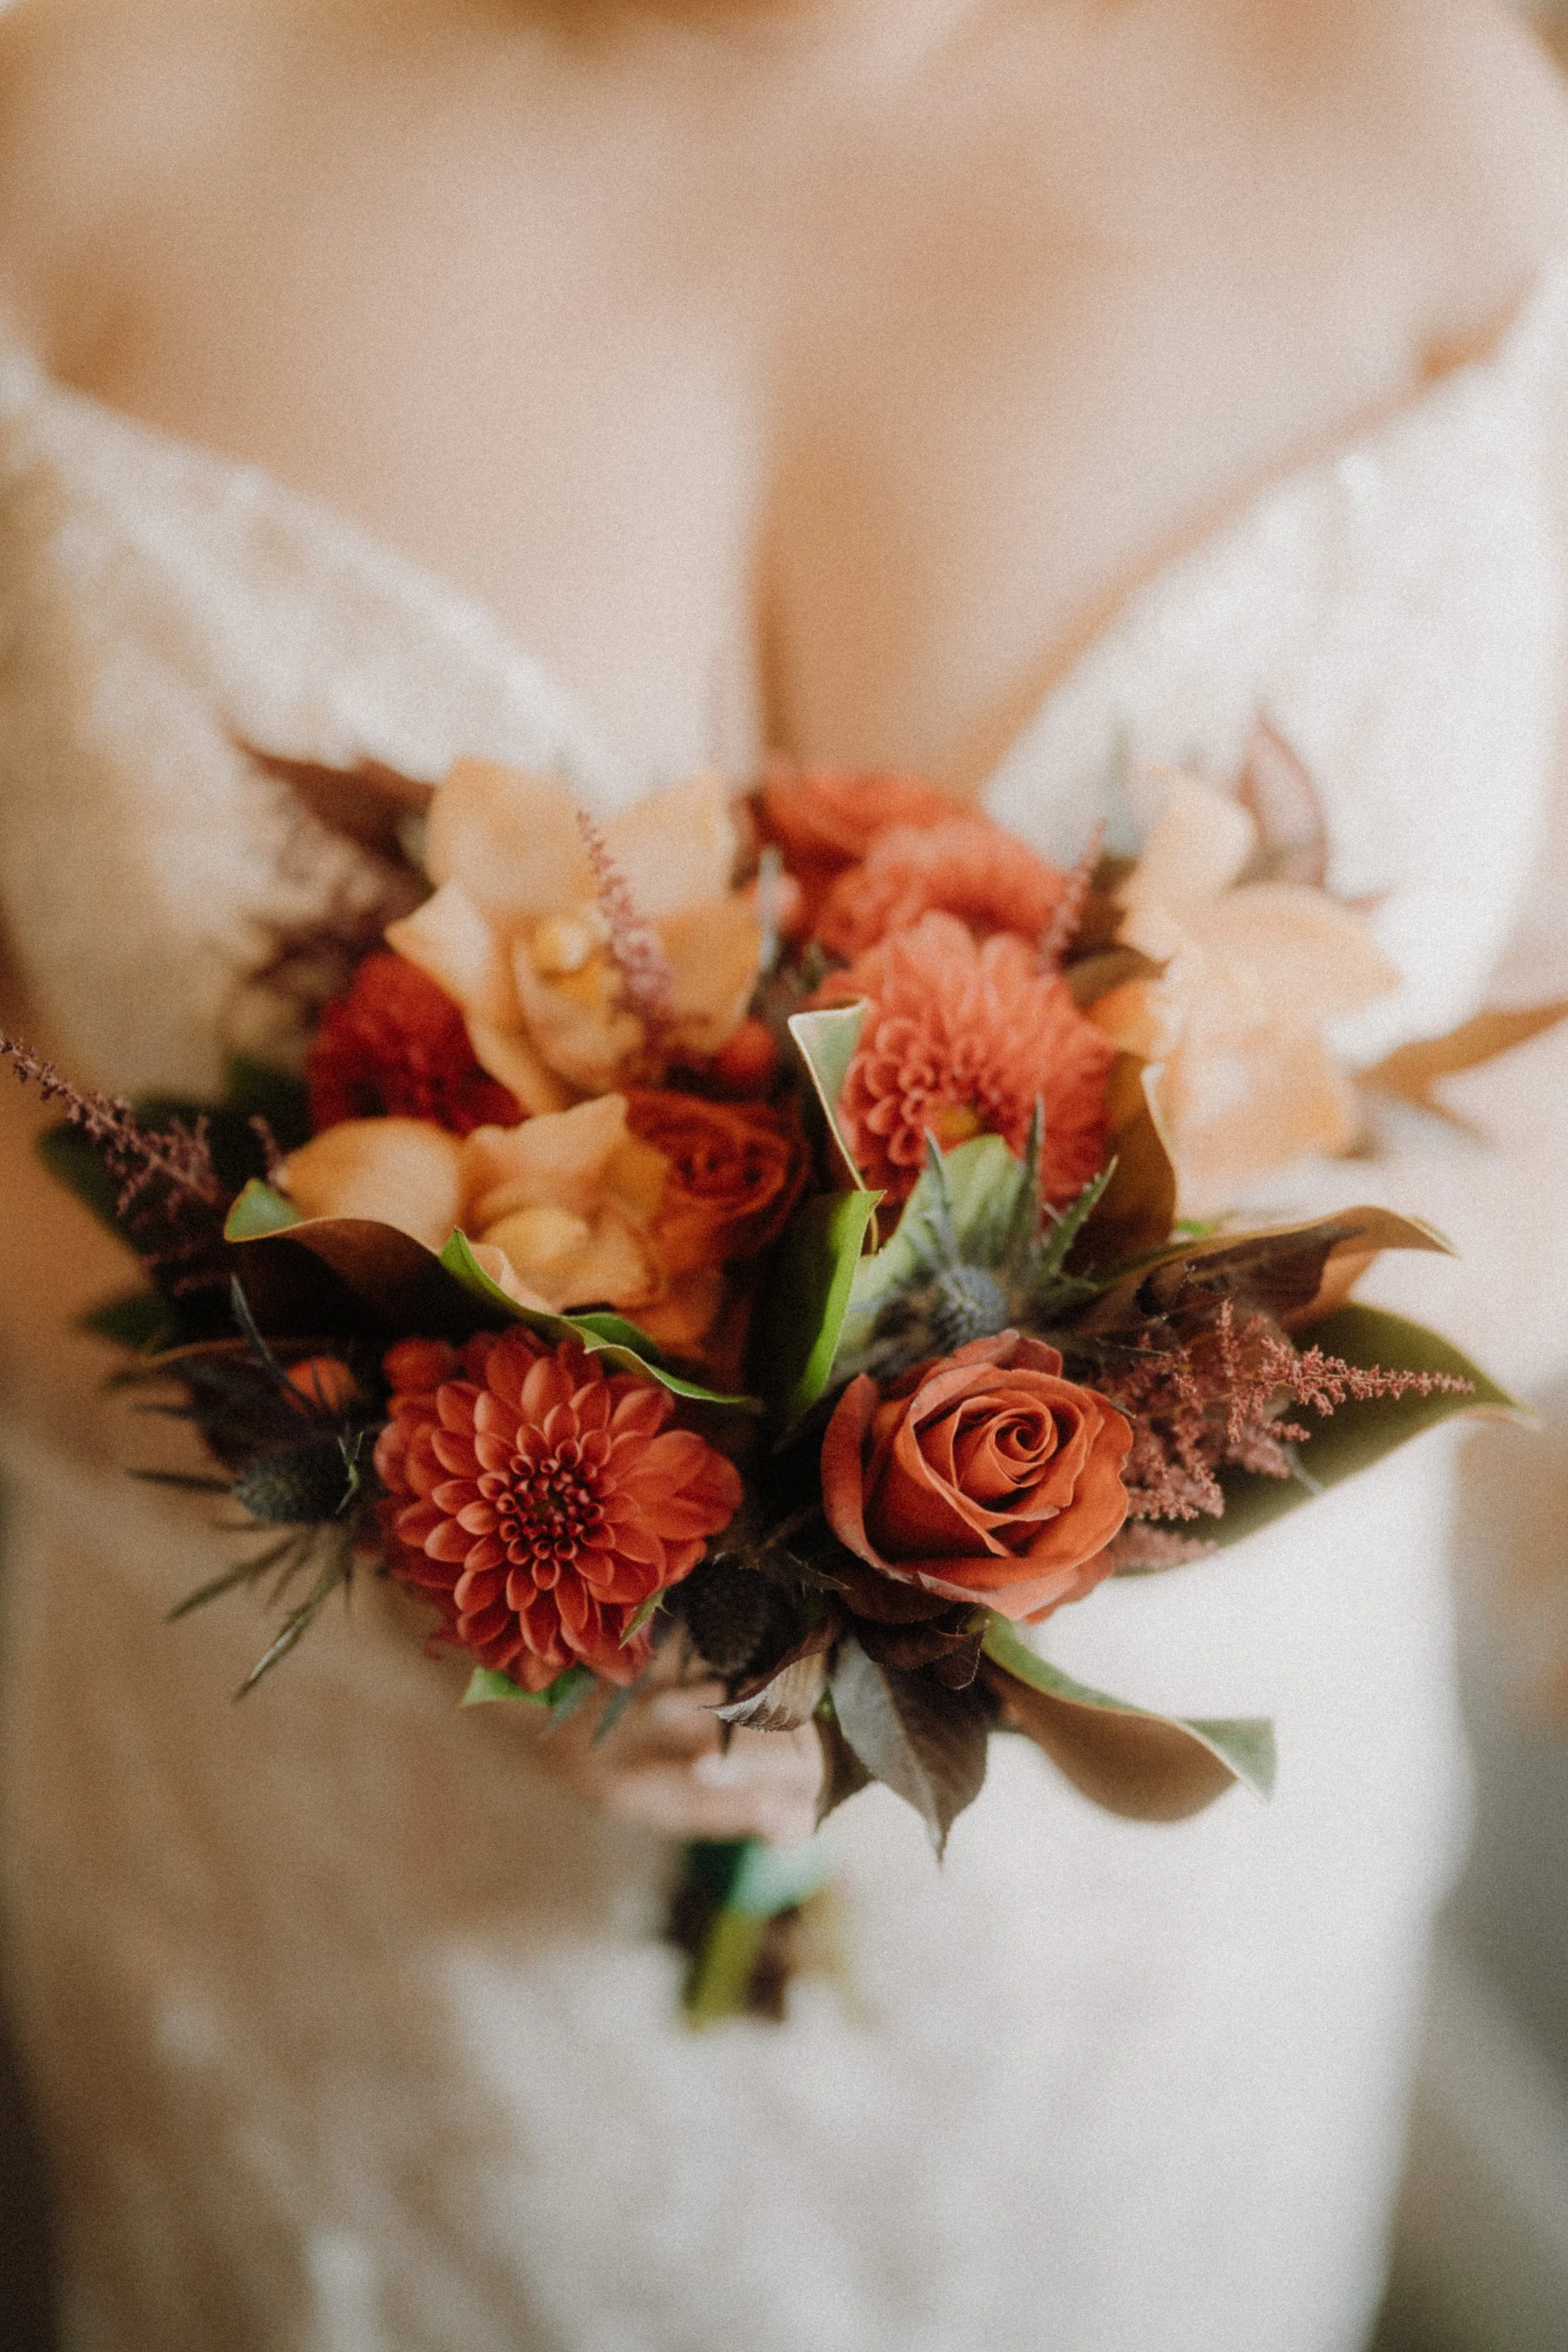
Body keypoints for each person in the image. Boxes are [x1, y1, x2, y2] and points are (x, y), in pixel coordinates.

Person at [0, 1, 1566, 2344]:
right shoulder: (67, 111)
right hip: (338, 1925)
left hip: (1134, 1977)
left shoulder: (1439, 117)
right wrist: (415, 1491)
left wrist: (1030, 1521)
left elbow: (1534, 1088)